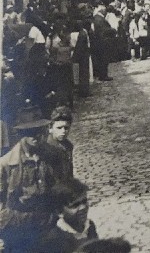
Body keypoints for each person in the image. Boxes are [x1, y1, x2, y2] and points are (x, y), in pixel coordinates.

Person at [0, 102, 60, 251]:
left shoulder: (53, 156)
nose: (37, 136)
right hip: (19, 232)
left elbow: (63, 189)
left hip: (48, 228)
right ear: (21, 134)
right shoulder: (6, 164)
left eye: (40, 130)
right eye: (31, 132)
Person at [34, 177, 98, 252]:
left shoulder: (90, 227)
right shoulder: (54, 239)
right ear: (59, 212)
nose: (83, 207)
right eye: (75, 205)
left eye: (84, 201)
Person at [45, 105, 74, 181]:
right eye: (59, 128)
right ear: (50, 128)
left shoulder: (68, 145)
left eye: (66, 128)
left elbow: (69, 171)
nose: (63, 131)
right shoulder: (48, 148)